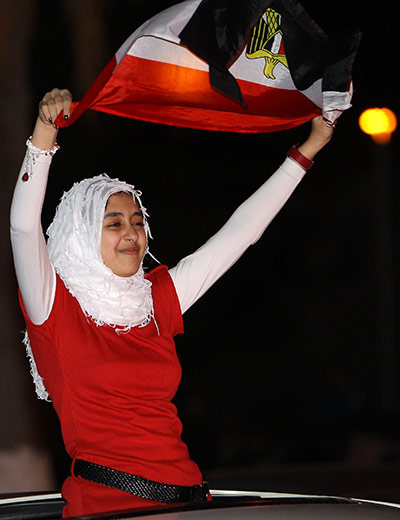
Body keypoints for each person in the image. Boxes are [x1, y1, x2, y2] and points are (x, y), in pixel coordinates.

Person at [10, 88, 333, 517]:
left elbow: (239, 235)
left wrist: (308, 149)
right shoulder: (54, 308)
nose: (132, 233)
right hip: (108, 505)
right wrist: (45, 133)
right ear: (83, 233)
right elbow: (23, 229)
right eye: (114, 223)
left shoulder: (155, 299)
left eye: (138, 221)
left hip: (189, 501)